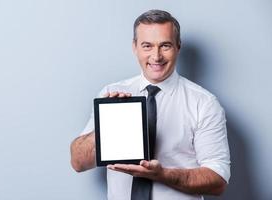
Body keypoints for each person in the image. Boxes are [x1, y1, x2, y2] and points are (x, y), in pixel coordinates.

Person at [70, 9, 230, 200]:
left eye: (165, 46)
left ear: (178, 47)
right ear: (135, 47)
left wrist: (162, 175)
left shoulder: (204, 103)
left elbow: (218, 180)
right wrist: (109, 124)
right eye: (147, 46)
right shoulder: (111, 93)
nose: (156, 56)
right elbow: (79, 162)